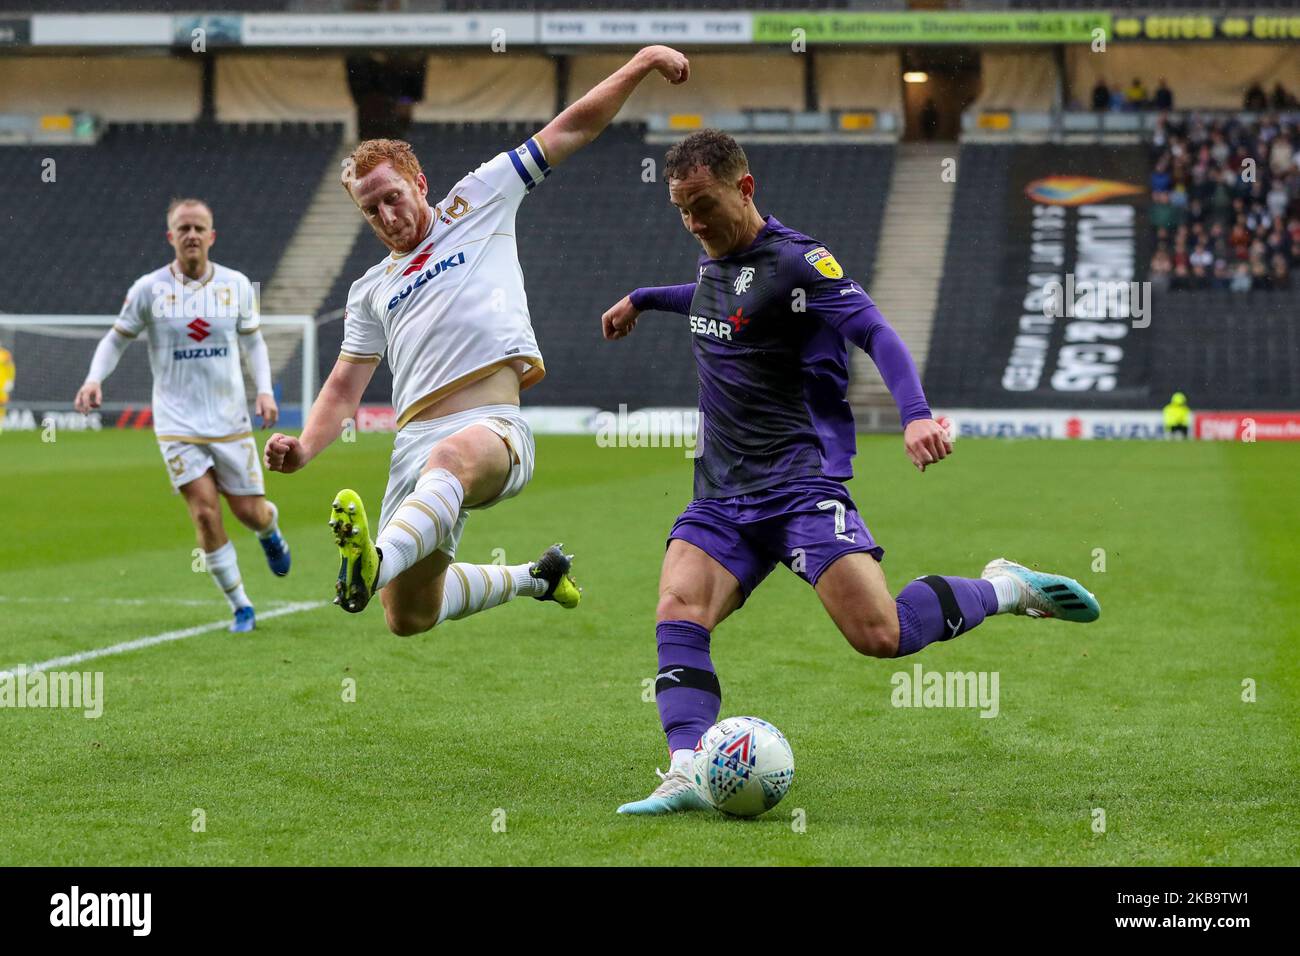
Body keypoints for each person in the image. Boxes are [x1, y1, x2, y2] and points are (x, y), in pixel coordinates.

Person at [599, 130, 1101, 815]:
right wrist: (643, 298)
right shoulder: (717, 260)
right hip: (721, 494)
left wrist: (917, 414)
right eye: (681, 209)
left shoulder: (803, 263)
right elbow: (714, 299)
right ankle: (686, 768)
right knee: (678, 609)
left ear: (744, 188)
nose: (693, 222)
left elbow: (876, 332)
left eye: (703, 205)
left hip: (800, 486)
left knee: (881, 633)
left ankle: (1006, 587)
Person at [263, 45, 692, 636]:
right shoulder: (368, 291)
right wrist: (307, 447)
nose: (387, 216)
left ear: (421, 183)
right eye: (371, 210)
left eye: (393, 197)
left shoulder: (478, 199)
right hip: (413, 446)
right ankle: (536, 578)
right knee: (408, 616)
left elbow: (571, 128)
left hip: (492, 428)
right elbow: (344, 384)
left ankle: (375, 561)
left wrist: (640, 63)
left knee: (448, 462)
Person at [74, 199, 291, 633]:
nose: (191, 234)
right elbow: (116, 339)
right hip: (177, 424)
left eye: (199, 227)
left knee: (250, 513)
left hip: (229, 421)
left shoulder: (236, 286)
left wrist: (264, 390)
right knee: (206, 514)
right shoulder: (148, 291)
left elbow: (253, 343)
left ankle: (270, 531)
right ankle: (241, 605)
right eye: (183, 228)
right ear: (170, 237)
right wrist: (93, 379)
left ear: (212, 236)